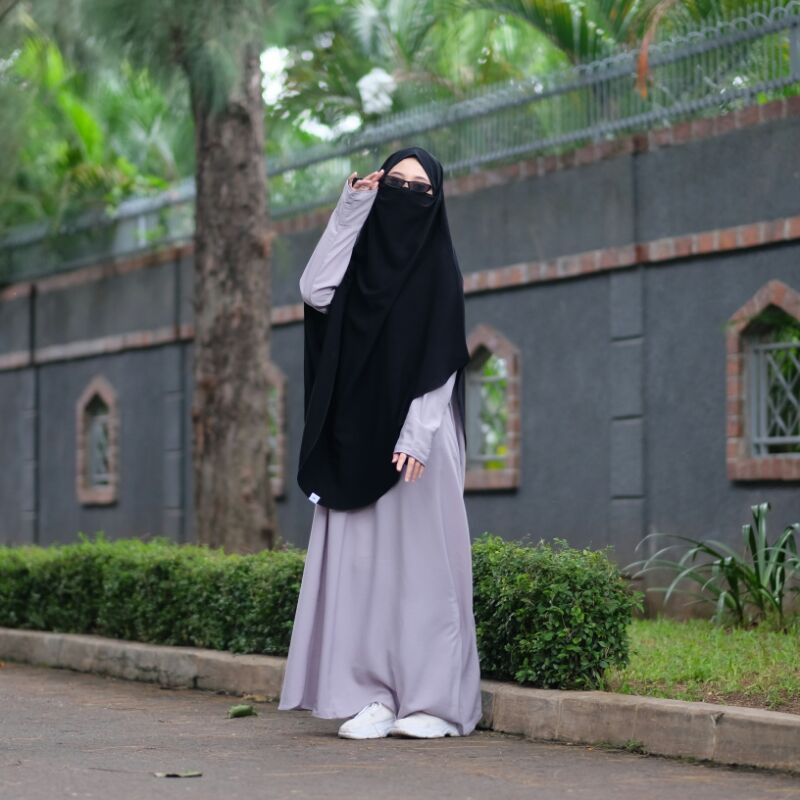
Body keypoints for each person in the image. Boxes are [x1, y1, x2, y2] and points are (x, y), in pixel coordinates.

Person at [277, 146, 482, 740]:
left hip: (419, 443)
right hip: (358, 433)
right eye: (396, 184)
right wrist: (351, 207)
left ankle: (436, 703)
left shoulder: (438, 269)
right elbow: (315, 290)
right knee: (362, 574)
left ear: (435, 201)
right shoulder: (358, 261)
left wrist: (417, 435)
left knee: (424, 574)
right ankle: (372, 698)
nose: (406, 197)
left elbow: (442, 357)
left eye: (420, 189)